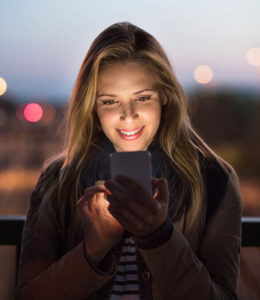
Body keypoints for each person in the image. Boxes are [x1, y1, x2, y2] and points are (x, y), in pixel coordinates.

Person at [15, 22, 242, 300]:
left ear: (165, 96)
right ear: (92, 106)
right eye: (110, 101)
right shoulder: (57, 180)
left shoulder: (214, 180)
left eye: (142, 98)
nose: (128, 115)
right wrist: (93, 250)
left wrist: (158, 237)